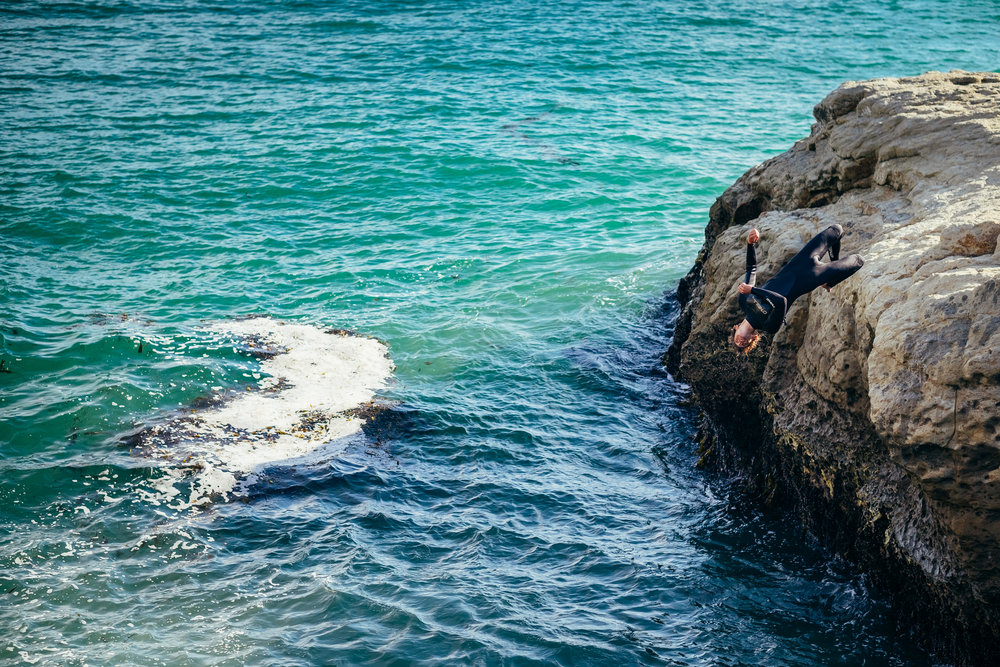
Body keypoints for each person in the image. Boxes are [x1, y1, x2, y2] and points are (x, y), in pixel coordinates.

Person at [732, 223, 864, 351]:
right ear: (753, 338)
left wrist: (750, 244)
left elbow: (751, 269)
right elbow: (781, 302)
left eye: (737, 341)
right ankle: (829, 281)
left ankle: (831, 272)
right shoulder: (769, 326)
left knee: (837, 230)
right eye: (744, 345)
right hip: (812, 278)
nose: (741, 342)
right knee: (858, 260)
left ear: (736, 328)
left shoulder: (743, 302)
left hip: (800, 261)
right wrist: (753, 290)